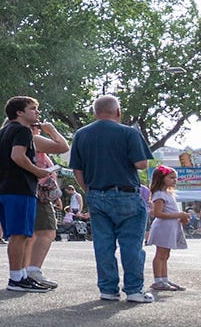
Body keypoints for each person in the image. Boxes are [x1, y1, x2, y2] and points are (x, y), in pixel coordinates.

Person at [70, 95, 153, 301]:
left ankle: (108, 289)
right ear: (118, 112)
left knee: (103, 244)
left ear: (95, 112)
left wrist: (88, 190)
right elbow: (141, 164)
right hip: (126, 194)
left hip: (97, 194)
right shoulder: (129, 132)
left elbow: (77, 170)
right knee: (131, 244)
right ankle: (134, 290)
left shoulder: (81, 134)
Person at [0, 95, 58, 293]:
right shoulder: (22, 131)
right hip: (18, 188)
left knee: (19, 235)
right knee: (20, 235)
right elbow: (18, 156)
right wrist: (39, 172)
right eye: (32, 109)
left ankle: (20, 276)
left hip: (3, 188)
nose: (37, 112)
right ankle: (16, 278)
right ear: (19, 112)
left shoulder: (4, 132)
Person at [26, 117, 73, 287]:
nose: (39, 128)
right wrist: (51, 130)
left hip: (30, 192)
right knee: (47, 231)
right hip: (39, 193)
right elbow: (63, 146)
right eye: (36, 125)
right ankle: (33, 270)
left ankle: (26, 270)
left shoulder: (14, 138)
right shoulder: (33, 139)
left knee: (31, 234)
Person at [148, 166, 191, 292]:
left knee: (166, 255)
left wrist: (181, 218)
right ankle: (158, 280)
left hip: (170, 227)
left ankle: (164, 279)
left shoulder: (168, 194)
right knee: (160, 254)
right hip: (163, 227)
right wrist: (179, 215)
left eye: (175, 178)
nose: (174, 180)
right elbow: (158, 213)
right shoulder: (160, 194)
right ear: (162, 178)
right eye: (171, 177)